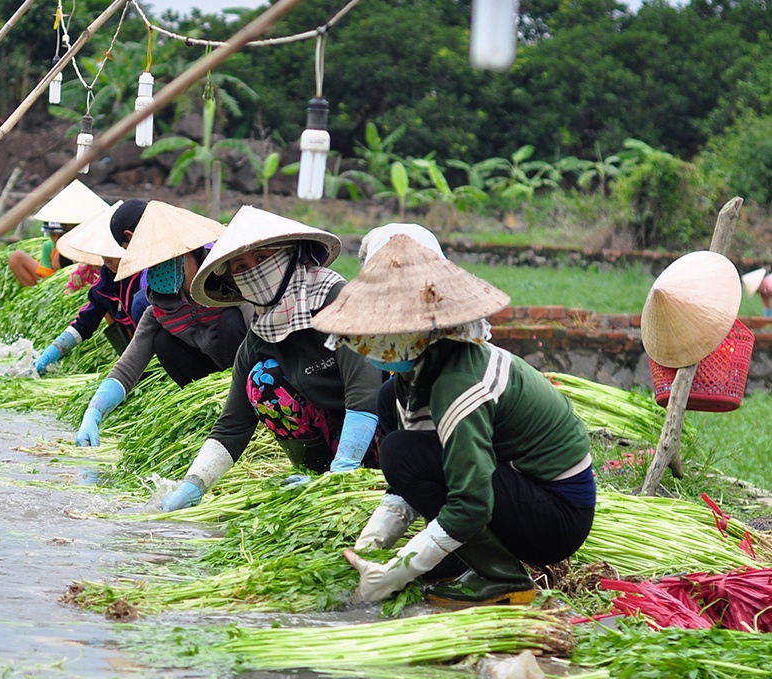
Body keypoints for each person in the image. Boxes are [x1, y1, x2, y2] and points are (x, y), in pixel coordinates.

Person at [312, 233, 595, 606]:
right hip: (516, 488)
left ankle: (504, 577)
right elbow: (410, 482)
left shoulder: (458, 384)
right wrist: (374, 542)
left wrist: (396, 571)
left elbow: (472, 501)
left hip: (556, 514)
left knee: (399, 452)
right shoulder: (410, 379)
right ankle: (460, 560)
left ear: (410, 334)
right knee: (401, 446)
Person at [160, 206, 384, 512]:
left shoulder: (336, 300)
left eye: (263, 258)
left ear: (291, 254)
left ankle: (353, 475)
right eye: (240, 266)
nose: (252, 270)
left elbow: (366, 393)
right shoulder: (260, 335)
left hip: (385, 431)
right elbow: (232, 425)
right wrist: (192, 487)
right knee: (262, 381)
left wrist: (343, 472)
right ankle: (315, 474)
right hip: (331, 439)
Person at [74, 201, 253, 446]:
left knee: (231, 321)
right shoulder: (160, 308)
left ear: (189, 253)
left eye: (169, 261)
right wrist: (94, 411)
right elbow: (128, 367)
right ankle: (212, 412)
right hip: (210, 382)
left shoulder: (232, 287)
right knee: (162, 340)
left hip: (249, 376)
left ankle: (246, 409)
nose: (161, 270)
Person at [33, 199, 149, 376]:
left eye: (110, 254)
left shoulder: (146, 276)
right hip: (132, 352)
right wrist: (50, 355)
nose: (105, 260)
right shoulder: (107, 279)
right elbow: (86, 321)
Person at [8, 178, 109, 287]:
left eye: (60, 235)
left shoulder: (92, 247)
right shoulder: (50, 247)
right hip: (58, 284)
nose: (56, 239)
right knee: (16, 257)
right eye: (53, 235)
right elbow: (47, 277)